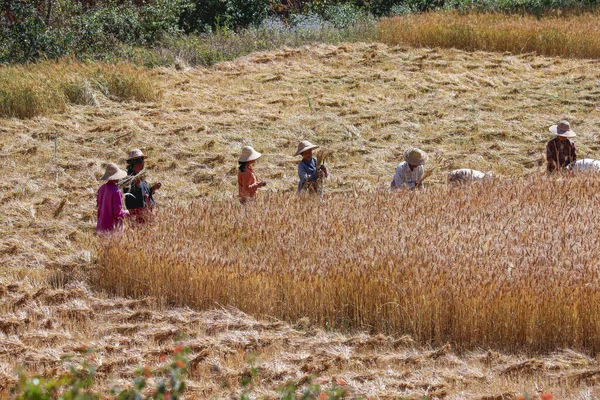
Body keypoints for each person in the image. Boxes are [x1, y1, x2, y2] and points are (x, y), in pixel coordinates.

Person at [123, 149, 161, 223]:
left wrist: (153, 188)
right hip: (137, 214)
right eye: (142, 161)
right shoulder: (129, 177)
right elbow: (131, 193)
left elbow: (145, 193)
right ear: (137, 163)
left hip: (146, 212)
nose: (144, 163)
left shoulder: (140, 176)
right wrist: (137, 182)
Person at [96, 163, 129, 233]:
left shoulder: (101, 189)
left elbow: (99, 205)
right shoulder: (116, 192)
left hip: (101, 226)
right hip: (112, 229)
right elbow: (117, 213)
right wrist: (125, 212)